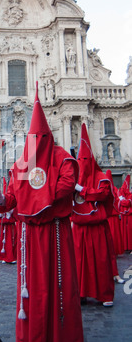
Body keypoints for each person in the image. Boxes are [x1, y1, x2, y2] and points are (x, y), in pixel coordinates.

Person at [0, 85, 84, 342]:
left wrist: (35, 196)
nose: (37, 140)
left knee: (57, 285)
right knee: (33, 286)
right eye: (33, 136)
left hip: (55, 231)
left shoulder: (62, 157)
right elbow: (12, 199)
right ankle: (34, 338)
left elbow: (66, 186)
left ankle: (59, 340)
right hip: (28, 235)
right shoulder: (21, 164)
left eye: (40, 136)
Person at [72, 124, 116, 307]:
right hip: (79, 228)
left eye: (85, 158)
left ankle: (105, 295)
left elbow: (103, 194)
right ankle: (81, 293)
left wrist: (83, 190)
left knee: (100, 262)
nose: (82, 161)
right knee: (79, 264)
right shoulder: (74, 177)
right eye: (79, 159)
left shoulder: (101, 177)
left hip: (97, 227)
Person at [0, 178, 17, 264]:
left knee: (10, 242)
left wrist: (10, 211)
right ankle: (2, 256)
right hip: (4, 226)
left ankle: (10, 256)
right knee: (2, 241)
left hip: (10, 226)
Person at [118, 175, 132, 252]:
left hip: (129, 216)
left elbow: (127, 203)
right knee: (123, 231)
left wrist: (122, 200)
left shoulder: (129, 195)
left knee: (129, 231)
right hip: (123, 216)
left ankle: (129, 246)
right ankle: (125, 246)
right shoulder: (121, 195)